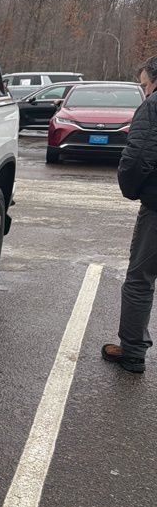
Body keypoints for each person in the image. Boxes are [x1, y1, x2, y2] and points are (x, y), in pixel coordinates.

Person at [103, 56, 157, 373]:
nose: (144, 91)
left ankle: (133, 352)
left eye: (144, 85)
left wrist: (132, 188)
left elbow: (137, 156)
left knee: (140, 279)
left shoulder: (152, 106)